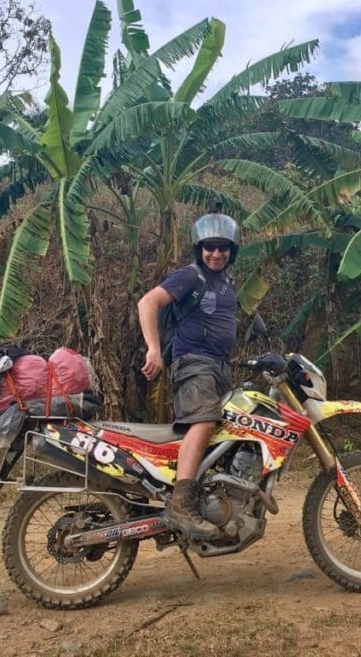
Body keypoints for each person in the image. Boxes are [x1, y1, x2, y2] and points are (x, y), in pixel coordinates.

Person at [137, 210, 240, 539]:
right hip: (194, 362)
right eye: (209, 247)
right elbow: (148, 302)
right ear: (199, 249)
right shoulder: (190, 276)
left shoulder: (226, 282)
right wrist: (153, 349)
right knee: (204, 422)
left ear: (232, 251)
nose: (216, 253)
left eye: (223, 247)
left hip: (220, 366)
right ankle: (181, 505)